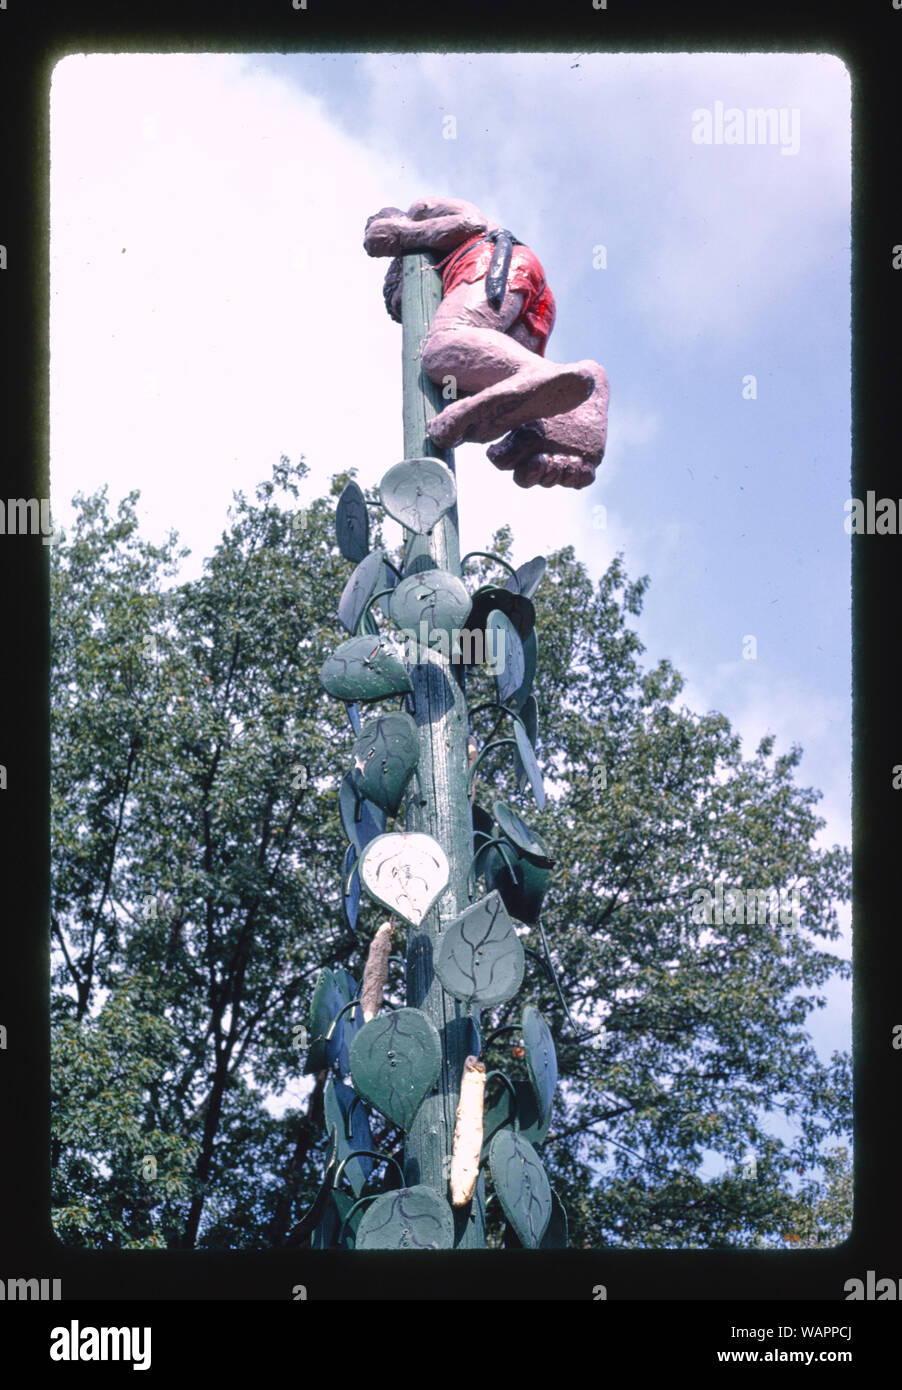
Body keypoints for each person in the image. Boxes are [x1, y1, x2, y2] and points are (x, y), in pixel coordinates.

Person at [364, 196, 609, 490]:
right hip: (528, 295)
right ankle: (567, 422)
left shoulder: (419, 212)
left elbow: (471, 220)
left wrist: (403, 233)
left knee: (444, 346)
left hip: (496, 262)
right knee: (473, 368)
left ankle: (538, 375)